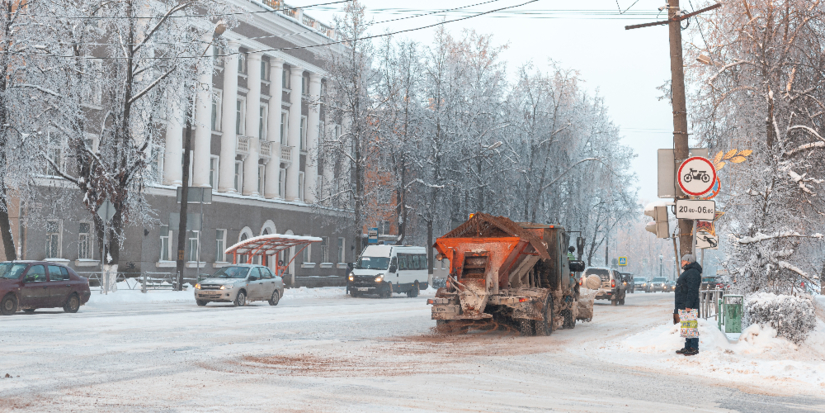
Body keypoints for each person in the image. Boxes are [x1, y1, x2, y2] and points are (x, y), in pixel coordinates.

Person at [674, 253, 702, 356]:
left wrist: (689, 304)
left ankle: (693, 347)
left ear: (689, 261)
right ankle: (688, 346)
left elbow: (692, 290)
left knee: (691, 326)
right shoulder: (689, 272)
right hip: (685, 304)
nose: (681, 262)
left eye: (683, 261)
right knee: (687, 326)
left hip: (689, 305)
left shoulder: (692, 273)